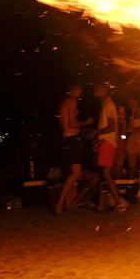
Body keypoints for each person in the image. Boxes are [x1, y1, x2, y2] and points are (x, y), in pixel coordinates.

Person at [93, 84, 127, 212]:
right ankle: (101, 203)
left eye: (97, 90)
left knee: (107, 175)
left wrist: (97, 133)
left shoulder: (109, 105)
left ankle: (118, 203)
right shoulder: (105, 105)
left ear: (103, 91)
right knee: (103, 174)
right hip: (104, 142)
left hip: (108, 143)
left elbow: (112, 127)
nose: (95, 92)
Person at [53, 84, 85, 215]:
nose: (81, 92)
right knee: (76, 173)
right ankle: (60, 204)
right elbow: (72, 123)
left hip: (65, 139)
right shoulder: (72, 101)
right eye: (80, 89)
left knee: (70, 174)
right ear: (74, 89)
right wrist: (86, 122)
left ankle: (67, 203)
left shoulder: (64, 102)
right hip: (71, 140)